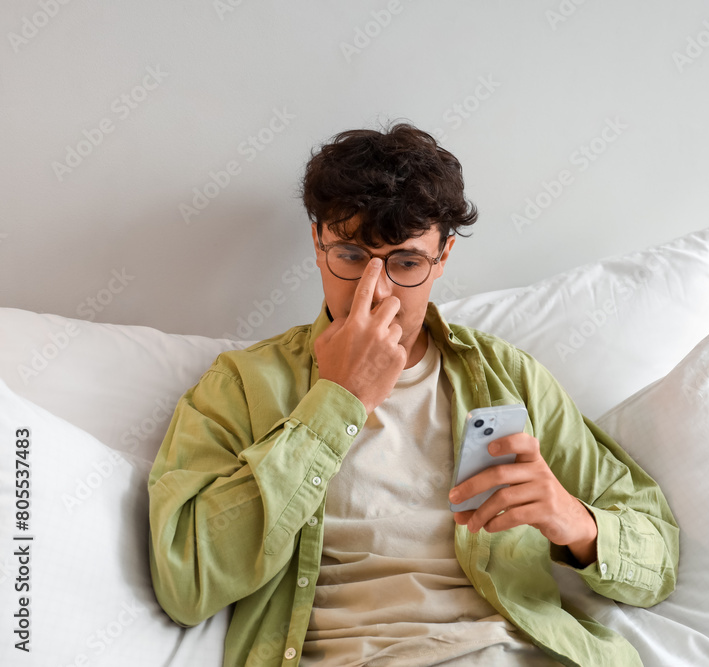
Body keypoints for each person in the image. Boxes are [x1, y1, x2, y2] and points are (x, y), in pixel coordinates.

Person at [147, 122, 679, 667]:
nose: (374, 290)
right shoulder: (242, 384)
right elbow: (187, 581)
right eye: (351, 256)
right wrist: (337, 400)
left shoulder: (508, 378)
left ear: (443, 256)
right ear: (316, 243)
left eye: (405, 263)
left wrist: (574, 522)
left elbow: (658, 561)